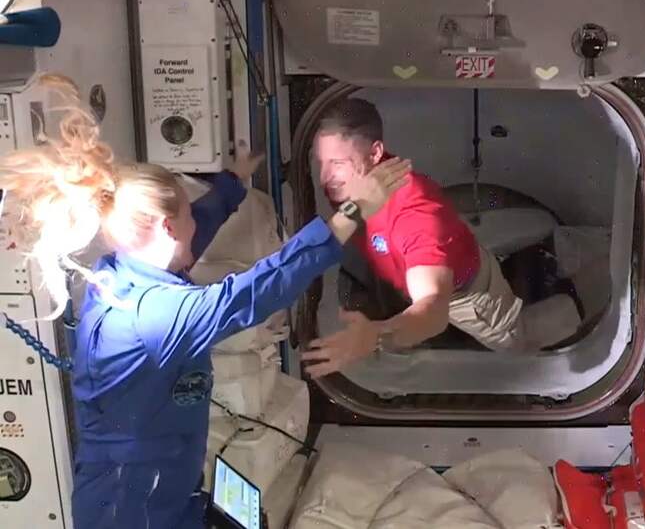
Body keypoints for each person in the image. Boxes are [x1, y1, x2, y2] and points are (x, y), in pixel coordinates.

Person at [0, 75, 410, 529]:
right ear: (168, 229)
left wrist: (234, 184)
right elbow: (259, 290)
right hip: (132, 512)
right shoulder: (158, 316)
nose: (197, 224)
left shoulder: (124, 272)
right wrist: (352, 211)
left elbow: (195, 230)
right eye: (186, 217)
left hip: (160, 490)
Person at [302, 98, 582, 378]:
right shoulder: (354, 181)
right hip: (428, 261)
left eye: (337, 163)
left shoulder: (414, 216)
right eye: (321, 162)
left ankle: (575, 300)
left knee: (515, 340)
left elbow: (433, 311)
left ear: (375, 153)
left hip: (467, 294)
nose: (326, 177)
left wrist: (375, 336)